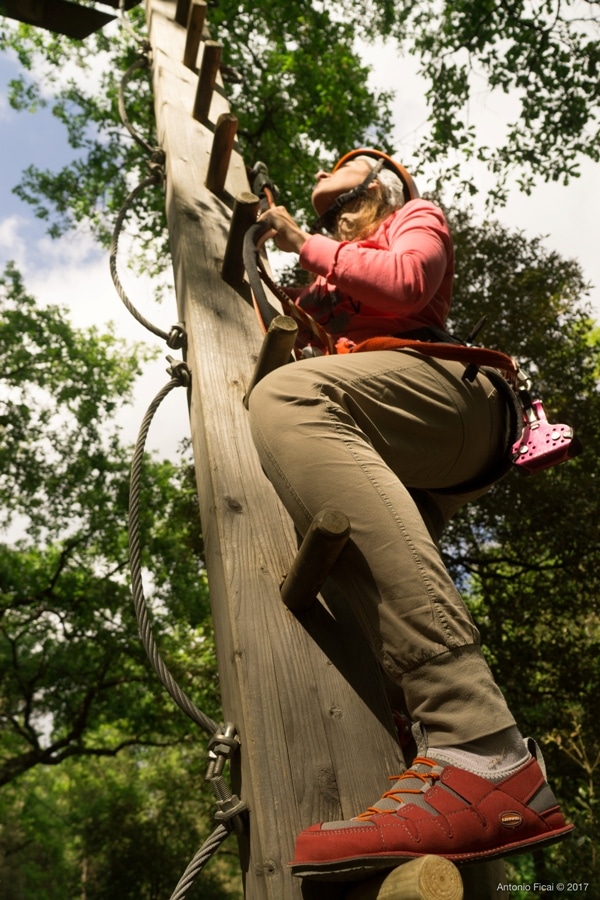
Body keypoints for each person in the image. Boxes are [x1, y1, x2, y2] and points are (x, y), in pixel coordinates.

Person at [247, 149, 572, 879]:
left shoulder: (413, 220)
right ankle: (437, 765)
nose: (336, 221)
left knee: (288, 398)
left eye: (344, 207)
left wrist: (305, 240)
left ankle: (479, 743)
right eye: (327, 215)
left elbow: (407, 283)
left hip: (458, 401)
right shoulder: (331, 272)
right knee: (339, 543)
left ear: (379, 193)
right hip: (396, 443)